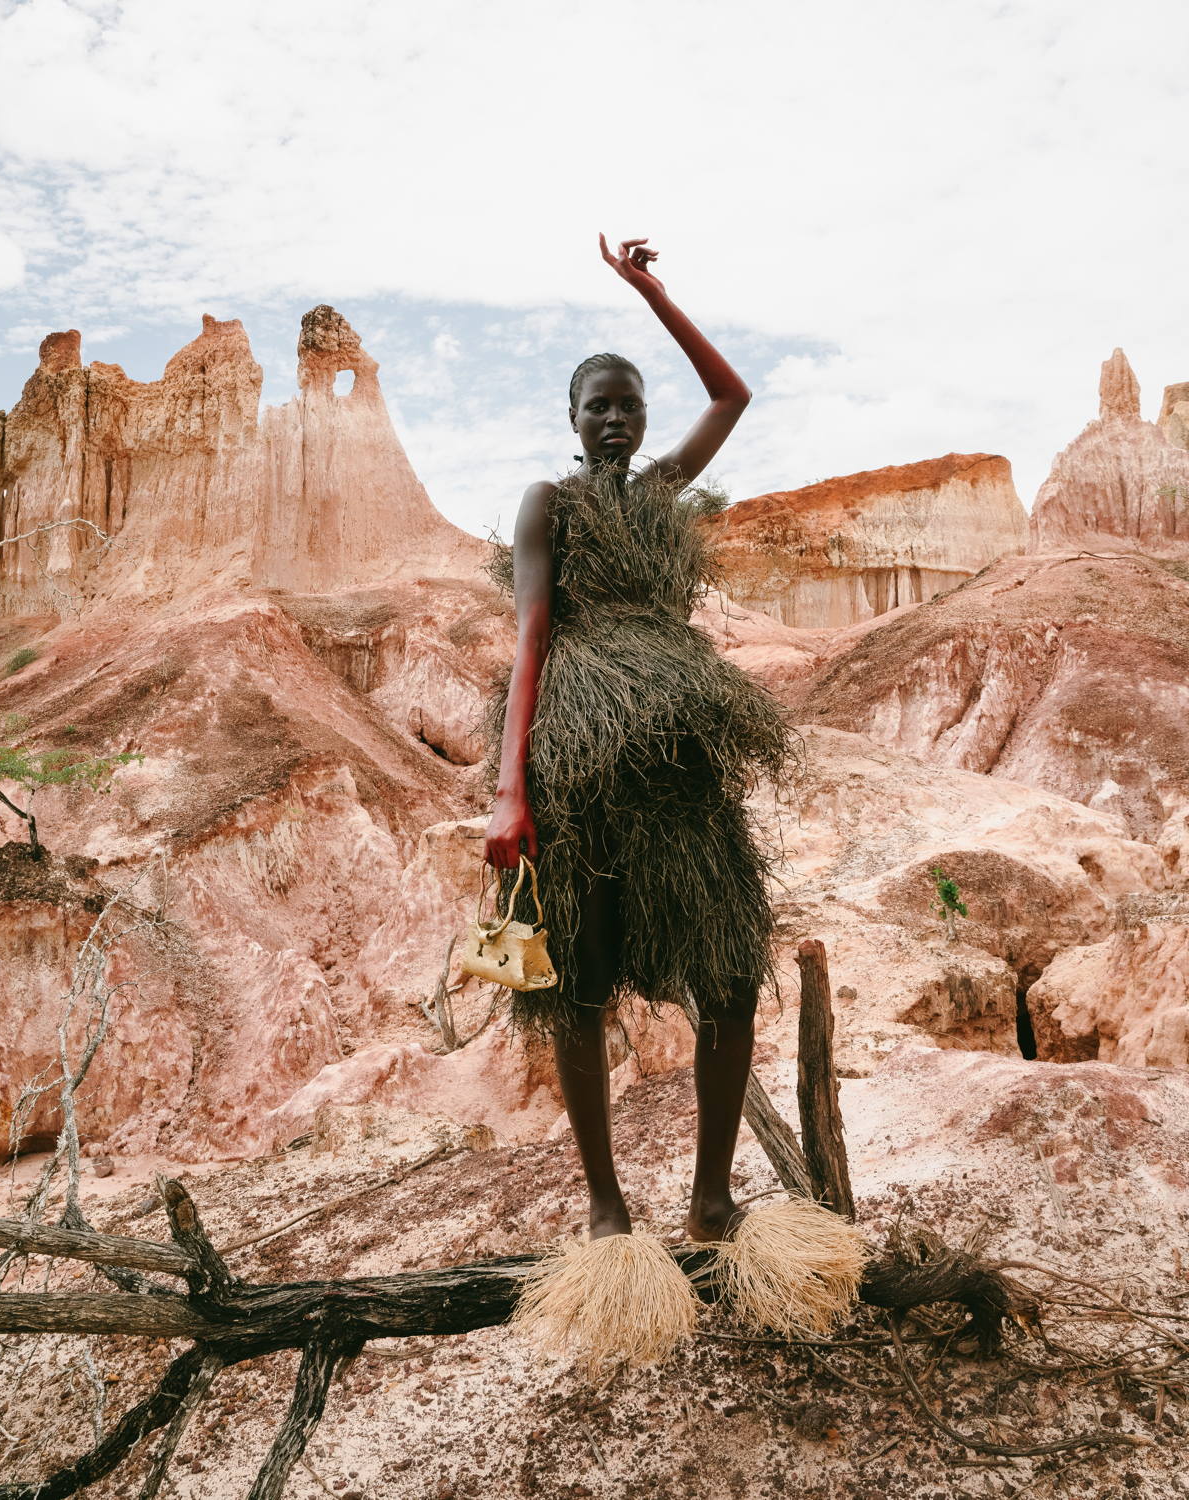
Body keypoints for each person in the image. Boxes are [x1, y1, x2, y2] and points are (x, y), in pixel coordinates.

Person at [481, 234, 797, 1248]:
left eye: (627, 403)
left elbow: (733, 397)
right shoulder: (550, 504)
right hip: (577, 762)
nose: (614, 418)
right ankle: (607, 1211)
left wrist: (651, 294)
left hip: (679, 766)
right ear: (572, 423)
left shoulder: (661, 496)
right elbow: (532, 634)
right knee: (574, 976)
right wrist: (508, 793)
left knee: (730, 970)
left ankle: (712, 1201)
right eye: (596, 406)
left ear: (644, 416)